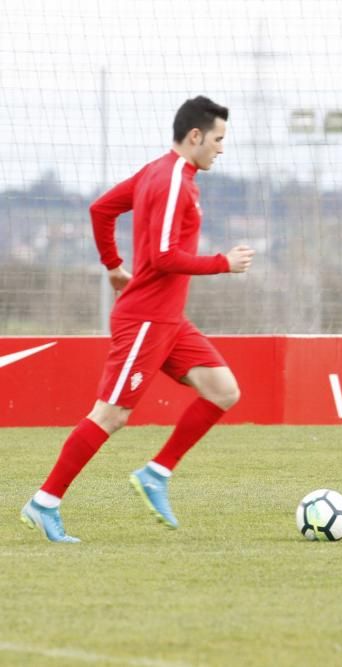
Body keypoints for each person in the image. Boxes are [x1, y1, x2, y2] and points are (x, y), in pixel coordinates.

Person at [20, 96, 254, 543]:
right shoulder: (170, 180)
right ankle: (44, 502)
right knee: (110, 415)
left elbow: (101, 209)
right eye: (219, 139)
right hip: (146, 319)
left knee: (223, 391)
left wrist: (113, 266)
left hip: (168, 319)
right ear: (195, 136)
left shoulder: (160, 172)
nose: (221, 149)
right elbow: (164, 257)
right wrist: (222, 263)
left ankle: (156, 473)